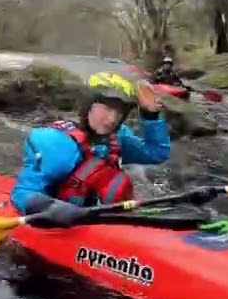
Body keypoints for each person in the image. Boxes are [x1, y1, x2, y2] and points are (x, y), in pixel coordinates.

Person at [10, 71, 168, 228]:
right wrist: (48, 207)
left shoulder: (117, 138)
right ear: (88, 106)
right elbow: (22, 193)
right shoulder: (59, 144)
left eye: (119, 112)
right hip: (65, 224)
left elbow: (156, 153)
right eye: (106, 108)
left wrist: (151, 116)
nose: (112, 119)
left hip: (108, 220)